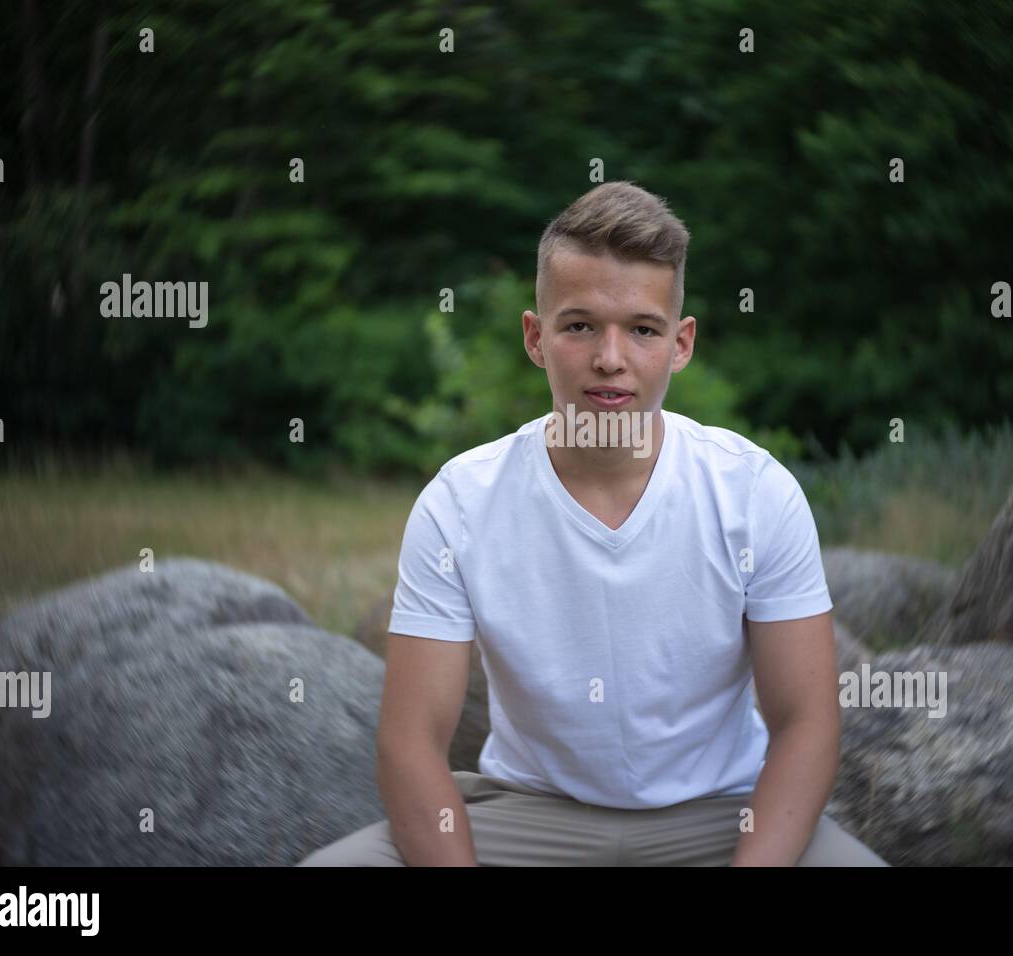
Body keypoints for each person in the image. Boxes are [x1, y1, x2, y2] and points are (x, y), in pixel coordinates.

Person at [298, 181, 888, 867]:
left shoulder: (754, 493)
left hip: (721, 815)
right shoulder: (461, 502)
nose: (611, 357)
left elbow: (806, 723)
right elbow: (411, 742)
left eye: (642, 329)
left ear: (681, 343)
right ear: (535, 337)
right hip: (528, 815)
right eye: (579, 326)